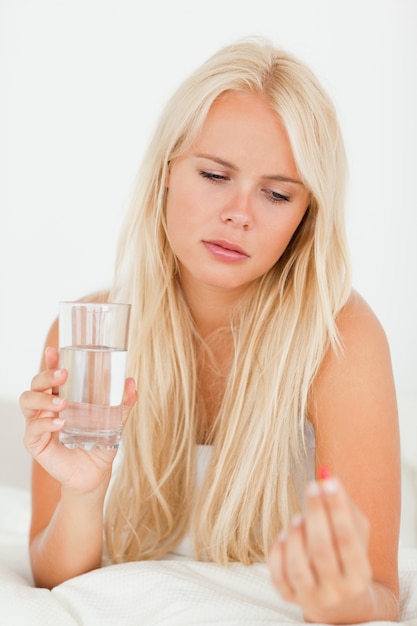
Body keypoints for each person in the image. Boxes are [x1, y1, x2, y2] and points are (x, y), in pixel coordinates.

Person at [20, 37, 400, 623]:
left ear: (306, 217)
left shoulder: (339, 338)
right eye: (216, 175)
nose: (240, 213)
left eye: (277, 193)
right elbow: (54, 578)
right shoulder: (93, 335)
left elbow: (377, 590)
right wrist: (84, 491)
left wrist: (339, 597)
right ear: (168, 171)